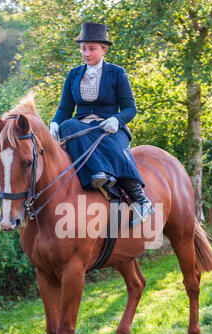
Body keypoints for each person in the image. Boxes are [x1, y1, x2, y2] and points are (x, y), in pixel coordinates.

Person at [50, 22, 154, 226]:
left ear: (103, 50)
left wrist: (117, 119)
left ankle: (141, 200)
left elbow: (130, 108)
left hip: (109, 127)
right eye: (83, 48)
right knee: (67, 125)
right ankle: (98, 174)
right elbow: (65, 109)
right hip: (81, 128)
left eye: (91, 48)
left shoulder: (117, 73)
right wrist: (54, 123)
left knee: (114, 145)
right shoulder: (73, 75)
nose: (86, 53)